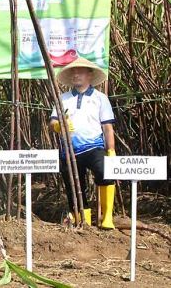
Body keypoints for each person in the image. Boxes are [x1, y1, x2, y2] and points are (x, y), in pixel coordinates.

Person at [49, 57, 116, 229]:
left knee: (105, 174)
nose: (75, 74)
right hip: (70, 150)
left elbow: (107, 127)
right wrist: (58, 126)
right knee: (73, 185)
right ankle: (81, 217)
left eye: (80, 71)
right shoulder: (62, 98)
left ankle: (107, 217)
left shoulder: (101, 98)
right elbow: (52, 122)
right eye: (73, 71)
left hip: (94, 147)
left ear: (89, 75)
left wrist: (111, 149)